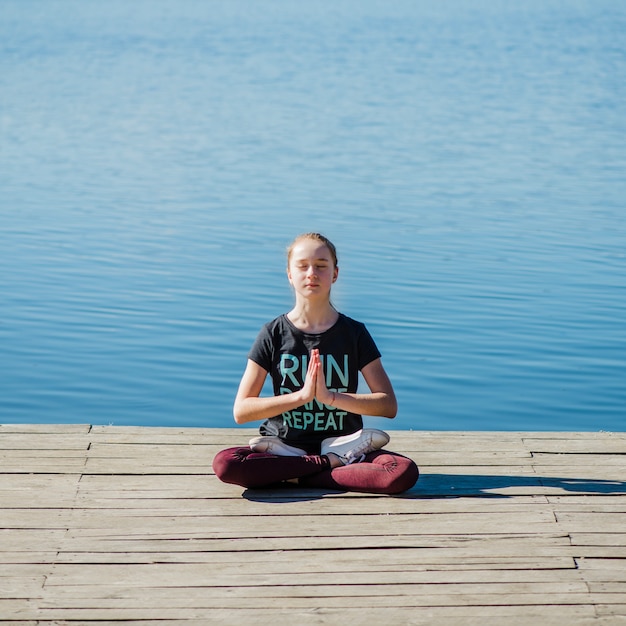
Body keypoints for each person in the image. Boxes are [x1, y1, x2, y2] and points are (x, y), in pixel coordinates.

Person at [212, 233, 419, 494]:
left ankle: (300, 472)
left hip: (345, 442)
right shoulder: (273, 333)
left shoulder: (354, 333)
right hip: (284, 446)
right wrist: (301, 397)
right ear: (289, 274)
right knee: (227, 464)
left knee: (400, 472)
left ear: (334, 274)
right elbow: (242, 411)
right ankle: (328, 466)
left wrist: (330, 397)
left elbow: (387, 405)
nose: (312, 273)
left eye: (321, 265)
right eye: (302, 266)